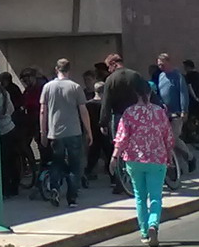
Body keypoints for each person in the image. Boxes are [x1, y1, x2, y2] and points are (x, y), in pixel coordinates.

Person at [112, 73, 174, 246]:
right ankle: (154, 223)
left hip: (134, 159)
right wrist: (168, 154)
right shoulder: (159, 112)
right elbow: (168, 136)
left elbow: (122, 136)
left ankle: (144, 232)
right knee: (156, 196)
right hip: (156, 158)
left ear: (136, 94)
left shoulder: (129, 113)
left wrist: (115, 156)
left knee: (140, 197)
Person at [39, 58, 92, 207]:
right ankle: (72, 198)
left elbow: (43, 111)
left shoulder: (48, 87)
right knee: (75, 165)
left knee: (57, 163)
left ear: (57, 69)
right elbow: (83, 111)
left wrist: (43, 132)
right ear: (69, 70)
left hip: (55, 132)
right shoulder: (75, 87)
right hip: (74, 131)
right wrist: (89, 131)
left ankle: (55, 188)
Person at [97, 53, 144, 194]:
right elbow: (148, 94)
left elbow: (106, 103)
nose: (108, 70)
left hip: (119, 117)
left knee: (118, 148)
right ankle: (140, 177)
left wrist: (103, 123)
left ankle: (120, 183)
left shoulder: (110, 80)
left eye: (108, 67)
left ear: (114, 64)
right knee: (138, 147)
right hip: (136, 116)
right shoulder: (135, 75)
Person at [154, 52, 198, 186]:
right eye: (158, 64)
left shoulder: (177, 76)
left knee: (172, 138)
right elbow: (158, 93)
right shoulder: (160, 76)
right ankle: (177, 165)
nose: (160, 67)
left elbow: (183, 93)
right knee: (167, 141)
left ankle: (190, 157)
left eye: (162, 64)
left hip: (177, 113)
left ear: (168, 62)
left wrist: (184, 110)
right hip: (164, 114)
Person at [0, 72, 22, 197]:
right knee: (12, 160)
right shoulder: (5, 93)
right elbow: (11, 110)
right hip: (10, 127)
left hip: (0, 130)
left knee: (3, 161)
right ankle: (14, 187)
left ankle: (5, 189)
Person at [181, 58, 199, 148]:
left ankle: (192, 135)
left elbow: (189, 87)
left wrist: (195, 97)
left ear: (188, 67)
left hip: (192, 100)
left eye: (185, 66)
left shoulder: (188, 76)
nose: (184, 68)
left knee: (190, 118)